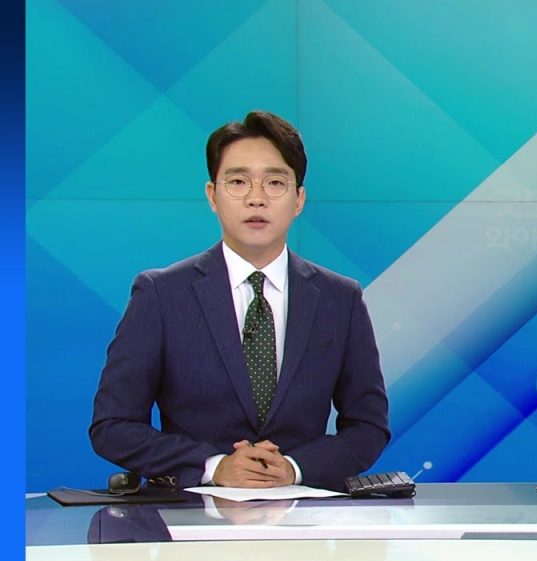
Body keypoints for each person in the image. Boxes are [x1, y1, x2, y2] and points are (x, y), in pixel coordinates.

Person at [90, 111, 390, 490]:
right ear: (212, 196)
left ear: (299, 199)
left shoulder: (340, 299)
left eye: (275, 183)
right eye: (237, 182)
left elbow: (368, 426)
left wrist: (294, 468)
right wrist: (214, 467)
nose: (256, 198)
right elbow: (112, 425)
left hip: (303, 513)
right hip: (190, 513)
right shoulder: (161, 294)